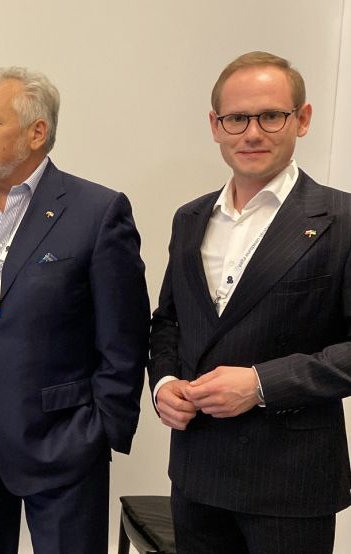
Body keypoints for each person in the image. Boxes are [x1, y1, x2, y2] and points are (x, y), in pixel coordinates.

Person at [0, 66, 149, 554]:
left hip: (62, 441)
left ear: (37, 132)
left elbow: (124, 336)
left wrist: (101, 428)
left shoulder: (97, 211)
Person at [149, 51, 351, 553]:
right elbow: (169, 321)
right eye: (237, 118)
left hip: (290, 483)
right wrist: (165, 383)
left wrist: (261, 384)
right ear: (215, 126)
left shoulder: (342, 219)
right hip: (196, 474)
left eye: (271, 116)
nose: (253, 133)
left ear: (302, 119)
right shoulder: (189, 218)